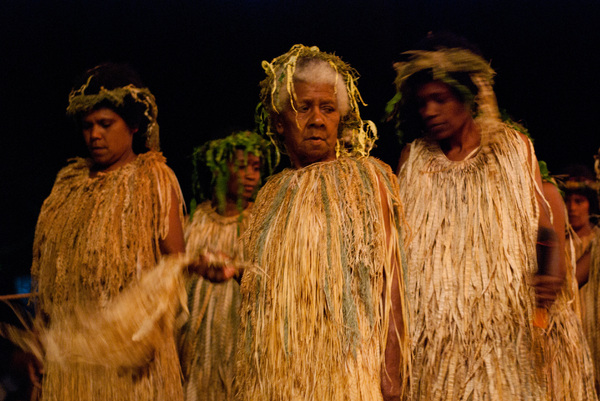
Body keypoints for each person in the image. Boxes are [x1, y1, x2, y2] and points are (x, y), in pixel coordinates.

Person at [390, 33, 564, 400]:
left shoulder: (513, 149)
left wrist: (551, 271)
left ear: (468, 96)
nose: (429, 112)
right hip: (433, 339)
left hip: (502, 338)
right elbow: (397, 249)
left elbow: (542, 217)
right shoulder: (413, 158)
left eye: (440, 99)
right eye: (422, 103)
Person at [235, 44, 409, 400]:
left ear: (340, 116)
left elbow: (391, 279)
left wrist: (392, 370)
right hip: (276, 378)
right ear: (280, 120)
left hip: (347, 374)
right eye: (303, 107)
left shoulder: (366, 180)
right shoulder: (270, 194)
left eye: (328, 108)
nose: (317, 119)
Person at [30, 63, 186, 401]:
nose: (94, 135)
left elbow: (175, 266)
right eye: (87, 126)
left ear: (132, 126)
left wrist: (149, 331)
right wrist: (40, 338)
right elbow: (46, 279)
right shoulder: (65, 190)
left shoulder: (154, 180)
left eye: (105, 124)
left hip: (135, 363)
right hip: (73, 364)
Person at [178, 130, 276, 401]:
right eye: (242, 166)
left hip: (241, 337)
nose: (250, 176)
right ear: (220, 168)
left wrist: (239, 270)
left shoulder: (260, 220)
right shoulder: (196, 220)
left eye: (256, 168)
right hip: (197, 341)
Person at [562, 164, 600, 391]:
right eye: (569, 201)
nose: (572, 208)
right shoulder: (561, 244)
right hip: (571, 332)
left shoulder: (597, 243)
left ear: (590, 204)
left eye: (579, 201)